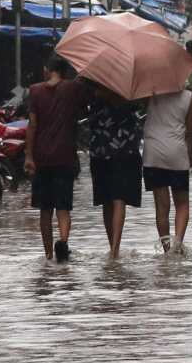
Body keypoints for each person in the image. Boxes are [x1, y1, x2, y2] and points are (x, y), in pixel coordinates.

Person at [25, 55, 88, 263]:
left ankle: (49, 254)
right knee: (63, 207)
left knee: (45, 209)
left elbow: (32, 125)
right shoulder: (73, 89)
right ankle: (63, 241)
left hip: (42, 157)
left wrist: (28, 156)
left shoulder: (34, 91)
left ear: (47, 70)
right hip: (65, 157)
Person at [88, 85, 143, 259]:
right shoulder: (130, 90)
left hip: (101, 151)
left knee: (107, 200)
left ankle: (113, 246)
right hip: (125, 151)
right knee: (118, 199)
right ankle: (115, 249)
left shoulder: (95, 90)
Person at [143, 90, 192, 253]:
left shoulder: (149, 94)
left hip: (153, 154)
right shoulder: (188, 97)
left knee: (161, 206)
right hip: (177, 153)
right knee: (182, 203)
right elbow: (191, 132)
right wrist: (190, 156)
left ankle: (167, 250)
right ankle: (178, 244)